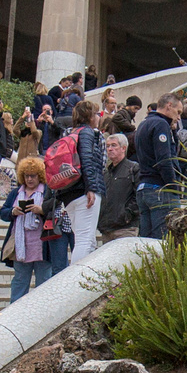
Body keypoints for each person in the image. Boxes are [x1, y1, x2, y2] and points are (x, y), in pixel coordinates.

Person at [0, 156, 61, 301]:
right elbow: (3, 212)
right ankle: (15, 312)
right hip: (21, 245)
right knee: (20, 280)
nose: (29, 179)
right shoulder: (16, 193)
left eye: (33, 176)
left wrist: (41, 210)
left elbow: (56, 210)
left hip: (42, 244)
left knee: (44, 281)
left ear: (39, 176)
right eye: (26, 176)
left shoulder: (47, 191)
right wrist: (13, 212)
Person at [60, 97, 109, 266]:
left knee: (83, 238)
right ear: (90, 116)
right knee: (84, 241)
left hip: (69, 191)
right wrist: (91, 187)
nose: (99, 117)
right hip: (84, 190)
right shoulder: (88, 133)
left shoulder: (68, 133)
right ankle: (77, 283)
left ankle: (84, 277)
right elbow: (88, 160)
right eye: (97, 114)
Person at [134, 93, 185, 239]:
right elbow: (165, 159)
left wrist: (173, 130)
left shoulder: (144, 123)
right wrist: (173, 186)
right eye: (178, 112)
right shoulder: (160, 124)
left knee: (146, 242)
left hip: (144, 187)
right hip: (160, 189)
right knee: (163, 240)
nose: (179, 117)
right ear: (169, 106)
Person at [97, 131, 140, 238]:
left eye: (113, 145)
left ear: (123, 148)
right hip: (106, 228)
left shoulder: (133, 169)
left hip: (126, 229)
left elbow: (138, 196)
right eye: (107, 146)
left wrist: (127, 215)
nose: (110, 149)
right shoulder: (105, 173)